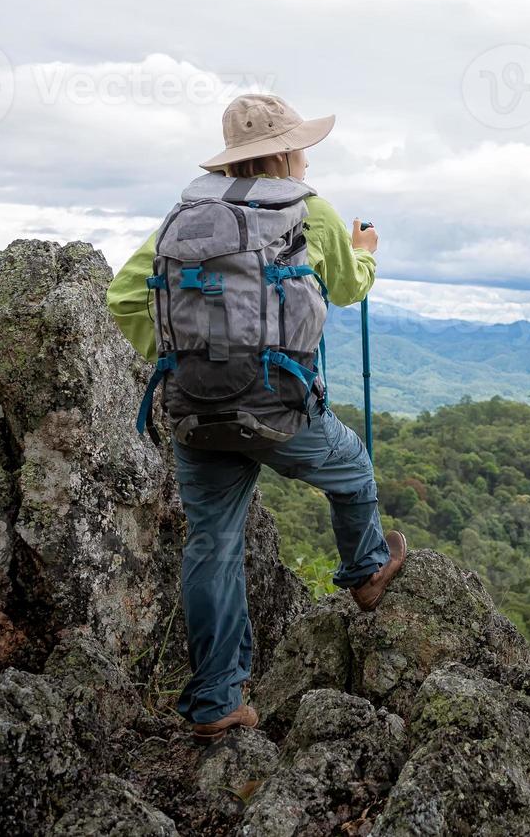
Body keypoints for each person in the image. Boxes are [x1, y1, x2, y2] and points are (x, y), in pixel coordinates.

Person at [105, 94, 407, 742]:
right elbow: (350, 287)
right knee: (351, 468)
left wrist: (190, 357)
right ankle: (367, 573)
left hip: (194, 409)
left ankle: (215, 700)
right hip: (277, 405)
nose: (304, 155)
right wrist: (367, 249)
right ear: (279, 152)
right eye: (299, 145)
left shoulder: (183, 217)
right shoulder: (310, 210)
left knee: (211, 544)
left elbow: (124, 296)